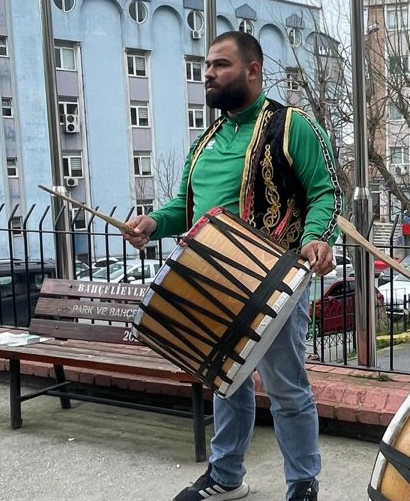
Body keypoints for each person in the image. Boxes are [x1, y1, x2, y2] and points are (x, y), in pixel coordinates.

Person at [125, 30, 341, 501]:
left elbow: (325, 191)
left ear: (253, 70)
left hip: (274, 280)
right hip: (214, 282)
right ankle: (226, 477)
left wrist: (316, 239)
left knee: (286, 388)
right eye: (206, 66)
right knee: (226, 384)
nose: (208, 74)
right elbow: (184, 208)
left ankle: (303, 484)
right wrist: (150, 224)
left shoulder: (292, 126)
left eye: (220, 65)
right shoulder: (205, 142)